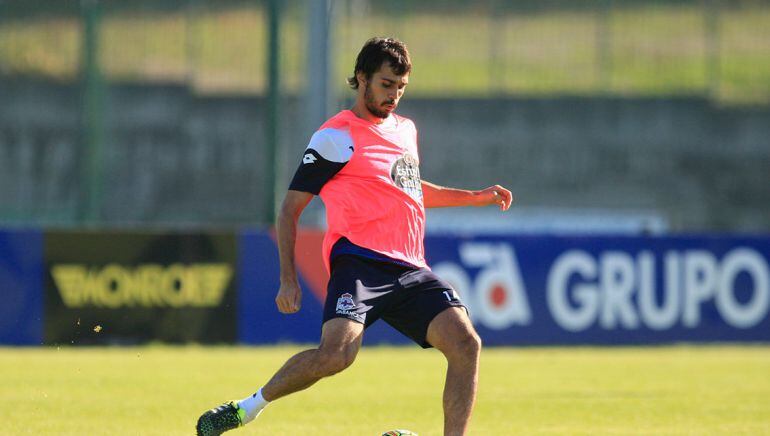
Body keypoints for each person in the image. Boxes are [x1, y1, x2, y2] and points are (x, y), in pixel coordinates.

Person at [196, 36, 512, 436]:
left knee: (466, 343)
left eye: (401, 87)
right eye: (385, 85)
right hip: (360, 263)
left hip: (412, 268)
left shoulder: (405, 130)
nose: (394, 95)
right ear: (361, 78)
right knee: (336, 355)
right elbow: (289, 210)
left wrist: (474, 197)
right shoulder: (335, 137)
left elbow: (409, 188)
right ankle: (247, 409)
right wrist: (288, 278)